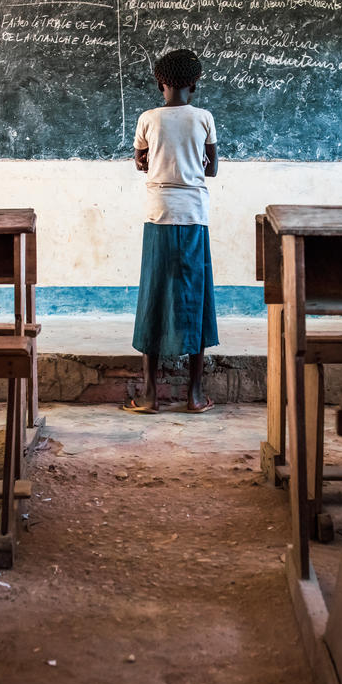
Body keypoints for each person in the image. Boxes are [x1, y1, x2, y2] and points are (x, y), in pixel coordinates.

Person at [123, 48, 219, 414]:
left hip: (158, 214)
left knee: (154, 295)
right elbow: (211, 169)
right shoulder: (204, 118)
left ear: (159, 83)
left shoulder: (148, 118)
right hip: (194, 215)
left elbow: (140, 162)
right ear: (195, 83)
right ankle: (194, 395)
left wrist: (157, 160)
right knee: (195, 296)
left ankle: (149, 395)